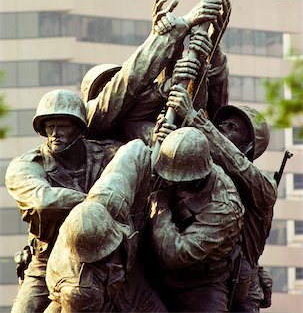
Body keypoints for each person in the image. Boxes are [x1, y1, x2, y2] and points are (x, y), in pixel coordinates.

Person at [5, 89, 122, 313]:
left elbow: (137, 167)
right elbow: (41, 200)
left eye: (63, 126)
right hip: (46, 260)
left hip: (101, 256)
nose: (55, 133)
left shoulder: (106, 154)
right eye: (50, 127)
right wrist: (92, 203)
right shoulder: (28, 165)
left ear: (78, 128)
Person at [165, 84, 278, 311]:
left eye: (232, 127)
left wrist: (196, 120)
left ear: (246, 148)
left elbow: (235, 164)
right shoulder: (204, 170)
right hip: (195, 275)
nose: (222, 128)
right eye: (222, 124)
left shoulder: (262, 185)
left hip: (240, 291)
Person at [81, 0, 231, 144]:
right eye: (106, 89)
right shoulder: (92, 120)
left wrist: (205, 52)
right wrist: (172, 32)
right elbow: (128, 82)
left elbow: (202, 117)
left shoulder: (144, 123)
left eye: (113, 83)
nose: (121, 97)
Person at [44, 138, 167, 313]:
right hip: (101, 292)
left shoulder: (112, 197)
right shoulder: (75, 286)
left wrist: (142, 200)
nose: (100, 259)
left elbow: (136, 150)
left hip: (128, 275)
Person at [149, 126, 245, 312]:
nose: (171, 183)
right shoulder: (185, 165)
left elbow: (175, 254)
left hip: (201, 282)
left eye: (178, 180)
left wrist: (159, 206)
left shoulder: (223, 207)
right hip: (156, 262)